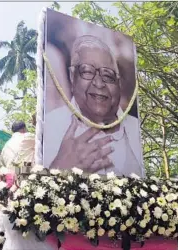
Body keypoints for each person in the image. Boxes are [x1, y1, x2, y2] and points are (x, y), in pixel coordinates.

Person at [44, 35, 144, 177]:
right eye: (87, 72)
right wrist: (59, 169)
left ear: (119, 83)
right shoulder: (49, 125)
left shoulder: (135, 128)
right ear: (72, 76)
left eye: (108, 75)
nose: (99, 83)